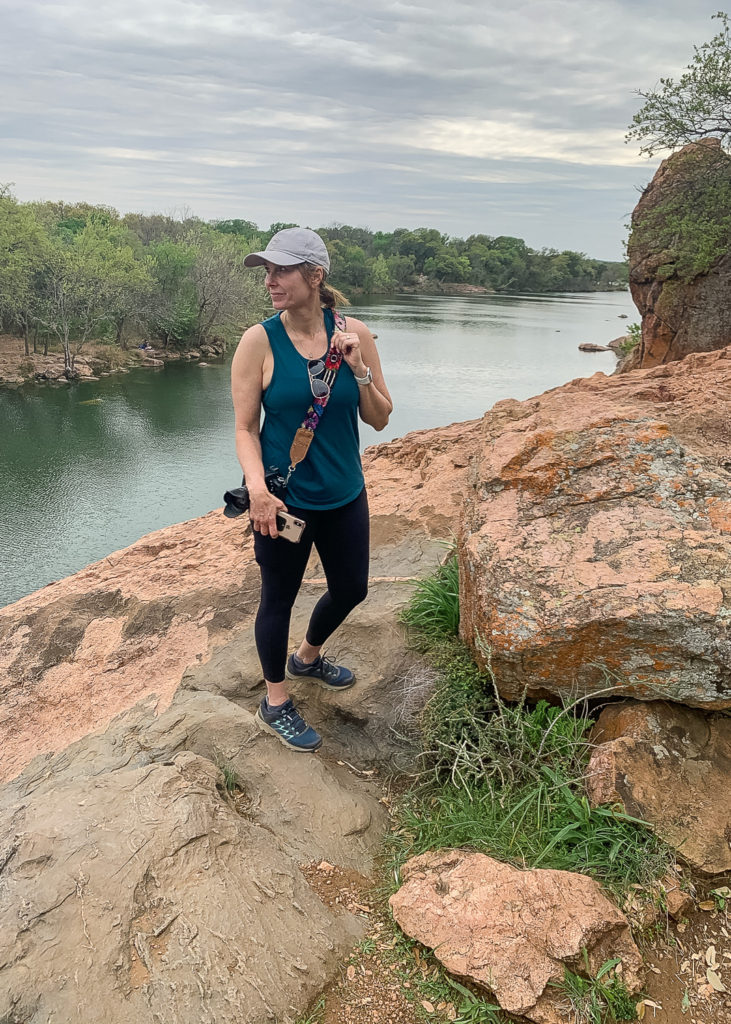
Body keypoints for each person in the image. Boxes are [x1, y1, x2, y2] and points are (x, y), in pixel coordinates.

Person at [231, 227, 393, 752]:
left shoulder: (356, 334)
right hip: (284, 501)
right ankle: (275, 700)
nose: (270, 281)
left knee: (352, 589)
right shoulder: (259, 340)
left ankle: (307, 658)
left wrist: (359, 369)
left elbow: (381, 420)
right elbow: (244, 429)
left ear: (314, 276)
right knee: (276, 598)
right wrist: (257, 489)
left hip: (346, 493)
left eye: (280, 271)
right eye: (266, 271)